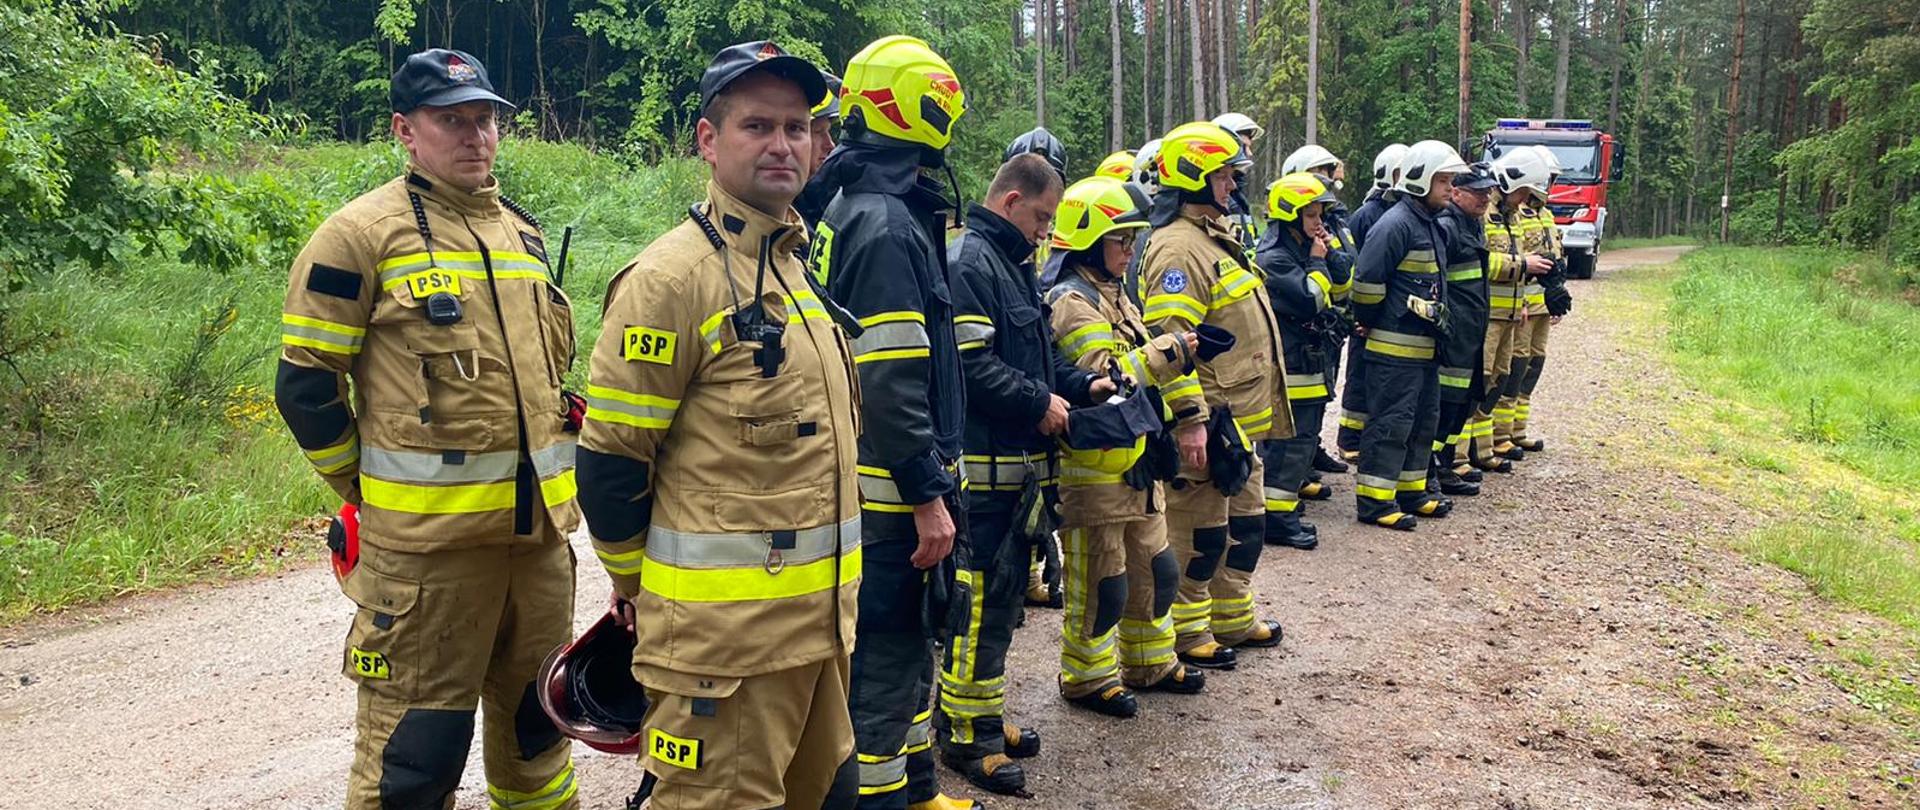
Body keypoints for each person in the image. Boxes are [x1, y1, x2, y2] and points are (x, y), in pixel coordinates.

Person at [274, 48, 581, 809]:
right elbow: (305, 386)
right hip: (426, 562)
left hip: (540, 550)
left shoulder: (523, 235)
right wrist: (361, 486)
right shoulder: (358, 236)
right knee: (413, 764)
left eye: (485, 119)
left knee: (540, 740)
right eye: (452, 120)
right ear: (405, 131)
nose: (476, 135)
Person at [575, 42, 865, 810]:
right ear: (708, 140)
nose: (782, 145)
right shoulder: (671, 280)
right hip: (723, 653)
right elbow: (610, 463)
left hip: (820, 638)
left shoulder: (795, 271)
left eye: (796, 128)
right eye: (757, 126)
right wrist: (636, 588)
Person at [808, 35, 979, 810]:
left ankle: (916, 791)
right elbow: (889, 377)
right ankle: (882, 798)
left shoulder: (862, 202)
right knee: (884, 662)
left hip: (888, 488)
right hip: (890, 500)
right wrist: (925, 492)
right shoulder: (883, 222)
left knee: (912, 651)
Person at [938, 154, 1106, 794]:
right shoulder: (970, 262)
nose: (1046, 231)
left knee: (1004, 604)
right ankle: (966, 736)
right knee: (978, 608)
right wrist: (1039, 404)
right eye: (1041, 217)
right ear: (1011, 202)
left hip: (1017, 478)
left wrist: (1082, 386)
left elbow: (1036, 360)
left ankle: (983, 715)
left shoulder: (1011, 264)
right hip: (982, 479)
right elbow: (969, 365)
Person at [1043, 175, 1213, 718]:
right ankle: (1088, 677)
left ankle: (1150, 662)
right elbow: (1106, 377)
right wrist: (1167, 351)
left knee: (1155, 569)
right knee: (1103, 583)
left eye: (1134, 238)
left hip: (1137, 464)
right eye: (1122, 239)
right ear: (1090, 240)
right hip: (1094, 472)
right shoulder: (1071, 302)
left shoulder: (1115, 293)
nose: (1131, 249)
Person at [1138, 121, 1289, 669]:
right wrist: (1189, 420)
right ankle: (1187, 630)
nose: (1233, 184)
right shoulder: (1178, 249)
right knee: (1198, 533)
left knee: (1245, 526)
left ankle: (1232, 618)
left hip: (1238, 422)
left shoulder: (1214, 237)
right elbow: (1170, 343)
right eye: (1224, 175)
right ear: (1194, 178)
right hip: (1209, 422)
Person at [1349, 139, 1467, 530]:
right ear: (1420, 180)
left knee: (1421, 422)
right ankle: (1375, 501)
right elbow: (1367, 283)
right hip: (1394, 351)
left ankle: (1412, 491)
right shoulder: (1395, 224)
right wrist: (1372, 320)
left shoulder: (1428, 223)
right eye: (1444, 181)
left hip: (1424, 350)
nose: (1450, 189)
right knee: (1390, 424)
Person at [1254, 172, 1350, 550]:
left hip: (1309, 362)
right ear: (1290, 216)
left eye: (1320, 215)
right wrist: (1316, 262)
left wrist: (1328, 250)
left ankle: (1284, 511)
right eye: (1311, 215)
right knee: (1287, 446)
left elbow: (1343, 282)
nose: (1318, 222)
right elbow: (1312, 299)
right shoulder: (1274, 258)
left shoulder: (1305, 247)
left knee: (1304, 441)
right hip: (1291, 366)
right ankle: (1275, 520)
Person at [1468, 149, 1556, 473]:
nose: (1524, 201)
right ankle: (1464, 455)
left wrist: (1527, 300)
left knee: (1500, 378)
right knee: (1481, 380)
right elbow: (1478, 261)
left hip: (1511, 313)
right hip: (1488, 314)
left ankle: (1484, 449)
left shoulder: (1511, 215)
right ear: (1509, 184)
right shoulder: (1483, 213)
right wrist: (1521, 265)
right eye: (1522, 193)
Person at [1334, 142, 1409, 463]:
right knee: (1360, 375)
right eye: (1400, 172)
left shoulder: (1406, 212)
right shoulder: (1367, 215)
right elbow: (1355, 264)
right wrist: (1358, 313)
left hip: (1389, 312)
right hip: (1366, 312)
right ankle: (1349, 438)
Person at [1430, 162, 1500, 498]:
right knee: (1446, 404)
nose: (1485, 198)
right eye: (1478, 192)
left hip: (1471, 332)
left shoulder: (1472, 225)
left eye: (1488, 192)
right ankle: (1431, 469)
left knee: (1462, 404)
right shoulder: (1447, 226)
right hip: (1454, 334)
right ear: (1456, 193)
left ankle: (1444, 466)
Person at [1504, 144, 1574, 456]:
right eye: (1549, 179)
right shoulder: (1515, 214)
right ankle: (1502, 433)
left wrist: (1558, 295)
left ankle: (1518, 430)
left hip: (1543, 304)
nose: (1551, 185)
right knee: (1515, 365)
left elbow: (1554, 257)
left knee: (1534, 364)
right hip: (1522, 305)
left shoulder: (1545, 214)